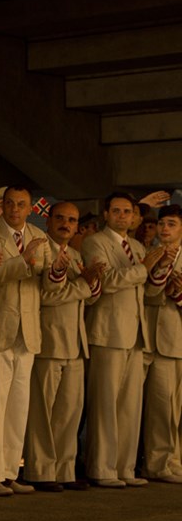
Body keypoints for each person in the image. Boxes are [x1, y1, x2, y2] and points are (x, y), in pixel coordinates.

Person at [0, 185, 48, 496]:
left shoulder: (38, 235)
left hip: (27, 329)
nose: (15, 209)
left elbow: (43, 278)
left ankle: (9, 471)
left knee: (18, 406)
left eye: (21, 204)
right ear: (2, 206)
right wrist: (23, 261)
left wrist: (54, 269)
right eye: (10, 204)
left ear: (30, 208)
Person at [23, 202, 103, 491]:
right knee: (43, 412)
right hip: (49, 339)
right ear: (48, 220)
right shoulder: (41, 249)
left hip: (75, 342)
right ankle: (40, 471)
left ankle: (63, 470)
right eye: (60, 218)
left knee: (70, 412)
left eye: (71, 220)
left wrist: (91, 283)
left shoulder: (77, 254)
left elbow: (90, 297)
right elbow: (45, 296)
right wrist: (83, 285)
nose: (65, 224)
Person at [81, 193, 150, 488]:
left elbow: (141, 285)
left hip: (135, 331)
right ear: (106, 214)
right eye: (117, 211)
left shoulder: (137, 246)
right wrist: (145, 269)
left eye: (127, 212)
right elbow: (107, 281)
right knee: (105, 403)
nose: (123, 216)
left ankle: (125, 467)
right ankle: (102, 467)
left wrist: (152, 269)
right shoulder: (95, 242)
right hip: (107, 331)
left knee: (130, 405)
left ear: (134, 217)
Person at [142, 205, 182, 483]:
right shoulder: (149, 253)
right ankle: (157, 463)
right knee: (160, 405)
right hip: (151, 337)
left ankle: (174, 459)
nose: (165, 229)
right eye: (162, 223)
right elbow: (147, 293)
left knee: (176, 406)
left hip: (176, 338)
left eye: (172, 224)